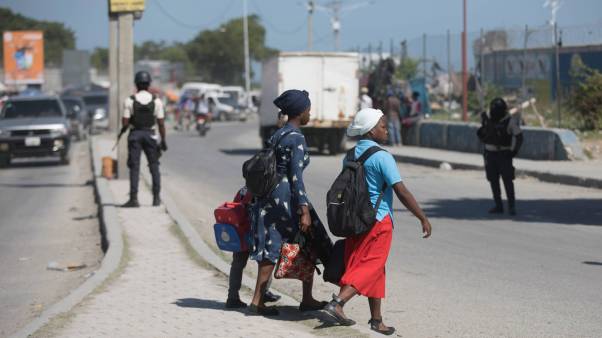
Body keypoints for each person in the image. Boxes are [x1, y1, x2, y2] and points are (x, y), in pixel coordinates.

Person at [324, 108, 432, 335]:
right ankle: (338, 303)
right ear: (371, 131)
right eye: (383, 126)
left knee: (376, 269)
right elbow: (401, 190)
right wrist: (421, 216)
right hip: (378, 220)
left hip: (356, 220)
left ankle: (376, 320)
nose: (386, 130)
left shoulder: (350, 155)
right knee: (370, 266)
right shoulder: (383, 157)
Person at [248, 89, 328, 316]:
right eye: (308, 110)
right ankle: (304, 299)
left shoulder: (279, 134)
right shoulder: (296, 137)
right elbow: (296, 176)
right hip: (286, 197)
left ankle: (258, 300)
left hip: (270, 194)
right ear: (301, 112)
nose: (309, 113)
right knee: (309, 240)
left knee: (271, 246)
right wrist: (304, 209)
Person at [226, 186, 281, 308]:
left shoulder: (242, 190)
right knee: (266, 262)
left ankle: (232, 297)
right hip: (254, 233)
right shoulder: (261, 190)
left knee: (237, 264)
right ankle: (262, 293)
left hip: (239, 232)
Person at [121, 71, 167, 208]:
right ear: (149, 84)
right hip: (151, 135)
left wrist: (127, 126)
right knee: (154, 166)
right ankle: (156, 198)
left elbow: (125, 122)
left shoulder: (130, 100)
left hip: (135, 135)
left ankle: (134, 199)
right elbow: (161, 123)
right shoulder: (156, 101)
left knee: (134, 167)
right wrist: (163, 140)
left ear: (136, 84)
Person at [479, 98, 523, 215]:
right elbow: (482, 133)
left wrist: (514, 152)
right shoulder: (487, 119)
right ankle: (498, 205)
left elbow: (519, 136)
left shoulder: (509, 121)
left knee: (507, 180)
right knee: (493, 180)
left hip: (504, 154)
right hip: (490, 153)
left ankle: (511, 206)